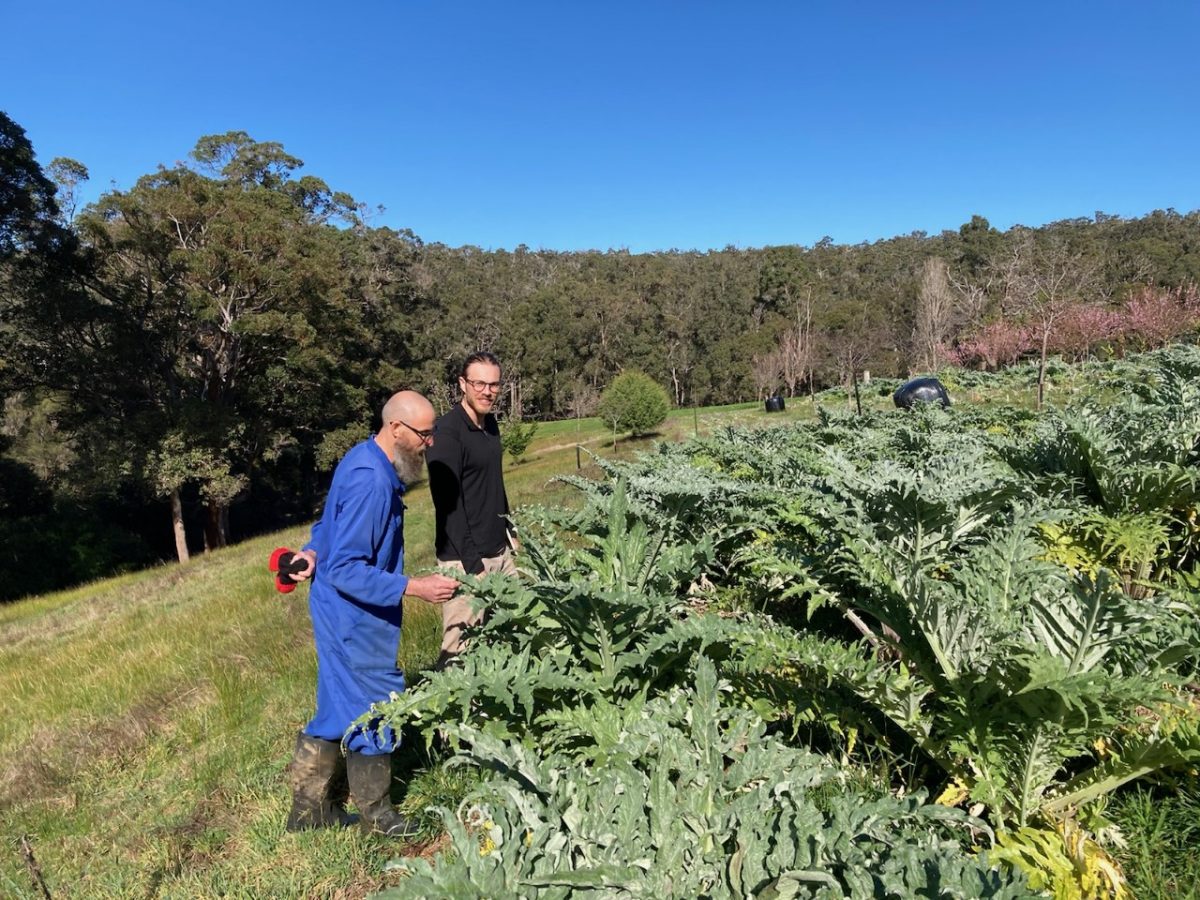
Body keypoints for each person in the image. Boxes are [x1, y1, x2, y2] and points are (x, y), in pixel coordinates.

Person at [283, 390, 459, 837]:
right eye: (423, 434)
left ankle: (307, 814)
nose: (429, 443)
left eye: (432, 431)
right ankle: (377, 817)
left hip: (340, 611)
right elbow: (347, 567)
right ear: (396, 429)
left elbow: (329, 527)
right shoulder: (372, 482)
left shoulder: (361, 458)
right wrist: (414, 587)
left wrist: (310, 550)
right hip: (354, 618)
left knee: (337, 706)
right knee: (378, 705)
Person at [426, 352, 518, 669]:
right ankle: (443, 711)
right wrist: (473, 565)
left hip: (499, 550)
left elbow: (494, 481)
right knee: (459, 648)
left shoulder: (490, 424)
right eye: (479, 383)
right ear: (463, 384)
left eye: (493, 384)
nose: (487, 391)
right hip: (464, 559)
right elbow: (447, 504)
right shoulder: (447, 433)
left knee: (508, 631)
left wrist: (511, 529)